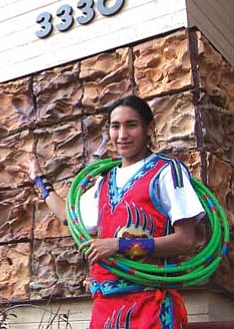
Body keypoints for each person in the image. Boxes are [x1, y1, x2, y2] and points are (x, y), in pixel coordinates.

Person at [29, 95, 205, 329]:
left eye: (131, 125)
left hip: (150, 307)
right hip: (105, 308)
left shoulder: (167, 171)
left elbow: (185, 241)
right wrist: (39, 181)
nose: (122, 135)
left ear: (149, 128)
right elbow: (69, 218)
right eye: (115, 126)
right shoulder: (104, 182)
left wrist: (117, 245)